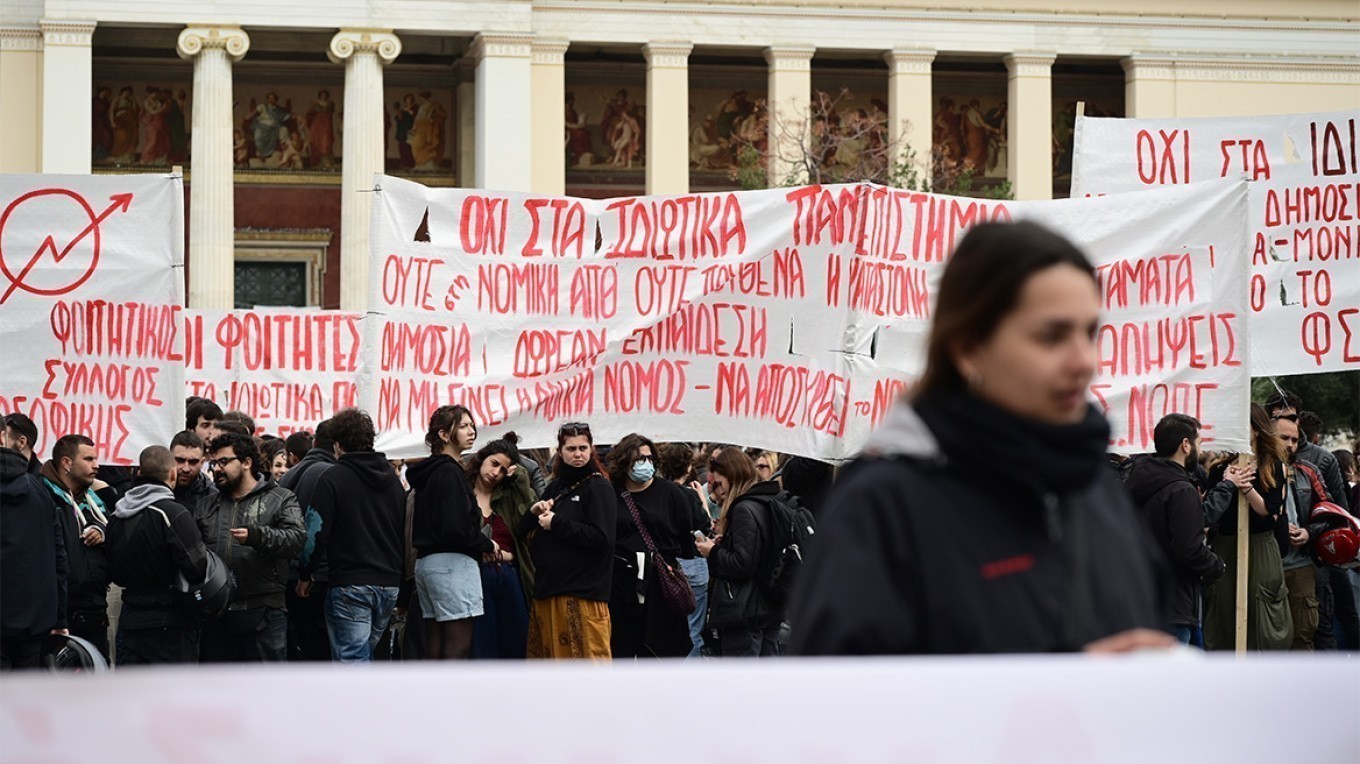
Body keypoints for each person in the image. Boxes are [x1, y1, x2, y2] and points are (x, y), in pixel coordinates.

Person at [790, 221, 1168, 655]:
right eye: (1051, 336)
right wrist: (1058, 690)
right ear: (969, 348)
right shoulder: (882, 508)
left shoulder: (1097, 489)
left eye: (1090, 332)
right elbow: (841, 708)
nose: (1085, 361)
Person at [299, 409, 405, 663]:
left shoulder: (333, 477)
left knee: (352, 661)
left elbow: (314, 533)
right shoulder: (392, 478)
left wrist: (305, 574)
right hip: (388, 583)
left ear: (337, 444)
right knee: (362, 657)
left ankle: (359, 704)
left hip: (351, 583)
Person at [196, 433, 305, 662]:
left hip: (264, 614)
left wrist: (257, 536)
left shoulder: (280, 498)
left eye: (224, 462)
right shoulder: (206, 505)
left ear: (246, 463)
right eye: (214, 463)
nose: (217, 469)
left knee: (266, 691)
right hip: (217, 616)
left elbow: (295, 539)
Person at [1125, 414, 1225, 646]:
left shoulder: (1134, 480)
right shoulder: (1182, 491)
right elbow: (1188, 549)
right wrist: (1217, 565)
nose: (1200, 451)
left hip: (1141, 599)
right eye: (1199, 443)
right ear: (1185, 445)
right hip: (1174, 605)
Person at [406, 405, 495, 660]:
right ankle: (449, 698)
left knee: (435, 639)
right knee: (458, 643)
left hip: (427, 564)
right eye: (464, 426)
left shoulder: (430, 472)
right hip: (452, 564)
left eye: (471, 425)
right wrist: (488, 545)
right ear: (444, 435)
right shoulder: (449, 472)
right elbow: (456, 527)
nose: (472, 431)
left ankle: (432, 696)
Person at [105, 446, 209, 665]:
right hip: (171, 623)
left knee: (133, 695)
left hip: (130, 618)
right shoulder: (173, 513)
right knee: (173, 696)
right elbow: (197, 566)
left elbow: (113, 570)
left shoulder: (116, 515)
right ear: (172, 473)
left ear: (139, 473)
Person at [522, 422, 616, 659]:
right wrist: (533, 512)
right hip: (548, 592)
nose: (578, 454)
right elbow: (522, 530)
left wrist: (557, 524)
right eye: (571, 448)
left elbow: (602, 538)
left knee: (585, 671)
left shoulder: (598, 486)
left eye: (583, 448)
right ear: (560, 451)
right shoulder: (556, 486)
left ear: (591, 449)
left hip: (581, 595)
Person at [1203, 404, 1292, 651]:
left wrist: (1247, 488)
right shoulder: (1221, 467)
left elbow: (1270, 512)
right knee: (1224, 608)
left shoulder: (1273, 466)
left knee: (1262, 607)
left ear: (1256, 428)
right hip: (1227, 545)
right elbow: (1213, 509)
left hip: (1260, 545)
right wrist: (1227, 484)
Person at [607, 433, 694, 659]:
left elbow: (685, 538)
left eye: (648, 458)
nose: (644, 464)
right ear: (624, 461)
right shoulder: (610, 494)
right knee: (622, 651)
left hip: (660, 585)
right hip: (621, 586)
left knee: (659, 654)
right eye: (637, 459)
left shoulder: (671, 494)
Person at [697, 448, 785, 657]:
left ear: (733, 476)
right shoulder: (767, 500)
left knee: (742, 684)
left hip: (745, 610)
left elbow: (742, 564)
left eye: (720, 482)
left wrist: (713, 552)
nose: (718, 489)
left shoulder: (744, 508)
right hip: (767, 607)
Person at [40, 434, 114, 660]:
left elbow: (115, 531)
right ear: (66, 463)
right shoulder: (44, 497)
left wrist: (102, 531)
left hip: (94, 608)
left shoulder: (94, 500)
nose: (97, 465)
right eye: (89, 459)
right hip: (61, 615)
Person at [0, 446, 67, 670]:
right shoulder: (40, 491)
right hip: (34, 623)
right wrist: (60, 618)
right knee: (25, 700)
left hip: (32, 622)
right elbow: (59, 557)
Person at [467, 440, 530, 659]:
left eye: (503, 470)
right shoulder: (462, 492)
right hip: (475, 577)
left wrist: (519, 478)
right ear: (482, 457)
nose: (496, 472)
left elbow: (528, 525)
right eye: (494, 463)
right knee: (481, 648)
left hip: (509, 575)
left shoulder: (508, 496)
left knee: (515, 646)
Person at [280, 419, 335, 662]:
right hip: (316, 575)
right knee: (319, 650)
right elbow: (318, 530)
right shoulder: (330, 474)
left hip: (289, 571)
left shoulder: (290, 474)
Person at [658, 442, 712, 658]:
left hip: (667, 564)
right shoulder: (689, 495)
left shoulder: (658, 493)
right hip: (693, 561)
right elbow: (704, 526)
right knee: (694, 630)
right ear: (689, 467)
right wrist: (702, 502)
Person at [169, 430, 216, 511]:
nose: (186, 469)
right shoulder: (155, 489)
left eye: (193, 462)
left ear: (202, 462)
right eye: (180, 460)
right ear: (169, 458)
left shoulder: (212, 496)